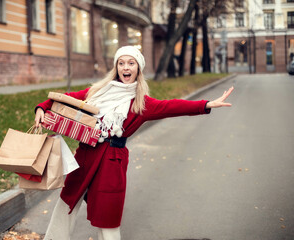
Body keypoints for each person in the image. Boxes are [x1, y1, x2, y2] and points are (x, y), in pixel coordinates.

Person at [34, 46, 234, 240]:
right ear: (116, 67)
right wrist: (42, 108)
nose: (125, 67)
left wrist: (206, 104)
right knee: (66, 201)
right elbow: (65, 99)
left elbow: (171, 106)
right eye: (121, 63)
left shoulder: (141, 103)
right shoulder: (97, 92)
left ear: (138, 68)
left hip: (112, 163)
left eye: (131, 63)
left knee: (108, 216)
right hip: (86, 156)